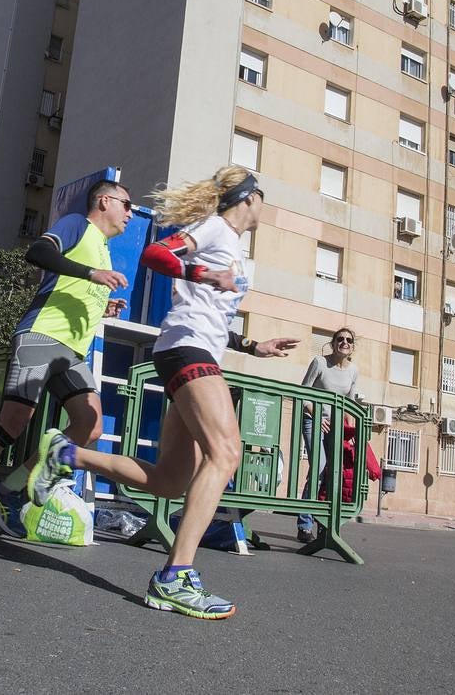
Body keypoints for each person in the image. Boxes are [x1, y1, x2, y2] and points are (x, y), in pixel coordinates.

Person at [29, 166, 299, 621]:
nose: (264, 208)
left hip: (196, 348)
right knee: (226, 453)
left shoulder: (231, 245)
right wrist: (203, 272)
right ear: (249, 198)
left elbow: (210, 312)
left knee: (171, 482)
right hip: (187, 350)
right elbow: (156, 253)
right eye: (263, 198)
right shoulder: (215, 227)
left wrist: (254, 346)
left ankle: (67, 454)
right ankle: (175, 576)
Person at [0, 179, 131, 546]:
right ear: (104, 201)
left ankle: (7, 490)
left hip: (71, 351)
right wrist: (92, 274)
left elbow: (72, 289)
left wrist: (103, 305)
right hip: (41, 336)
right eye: (127, 205)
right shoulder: (77, 224)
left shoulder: (103, 249)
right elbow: (38, 252)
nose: (130, 214)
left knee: (90, 425)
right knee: (13, 422)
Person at [296, 327, 359, 543]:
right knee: (320, 467)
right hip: (313, 421)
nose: (344, 342)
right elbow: (303, 391)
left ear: (352, 346)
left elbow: (350, 403)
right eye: (340, 339)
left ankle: (324, 524)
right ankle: (304, 525)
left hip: (336, 426)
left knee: (334, 472)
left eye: (348, 340)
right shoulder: (320, 362)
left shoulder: (353, 371)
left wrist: (350, 431)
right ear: (333, 343)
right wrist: (316, 415)